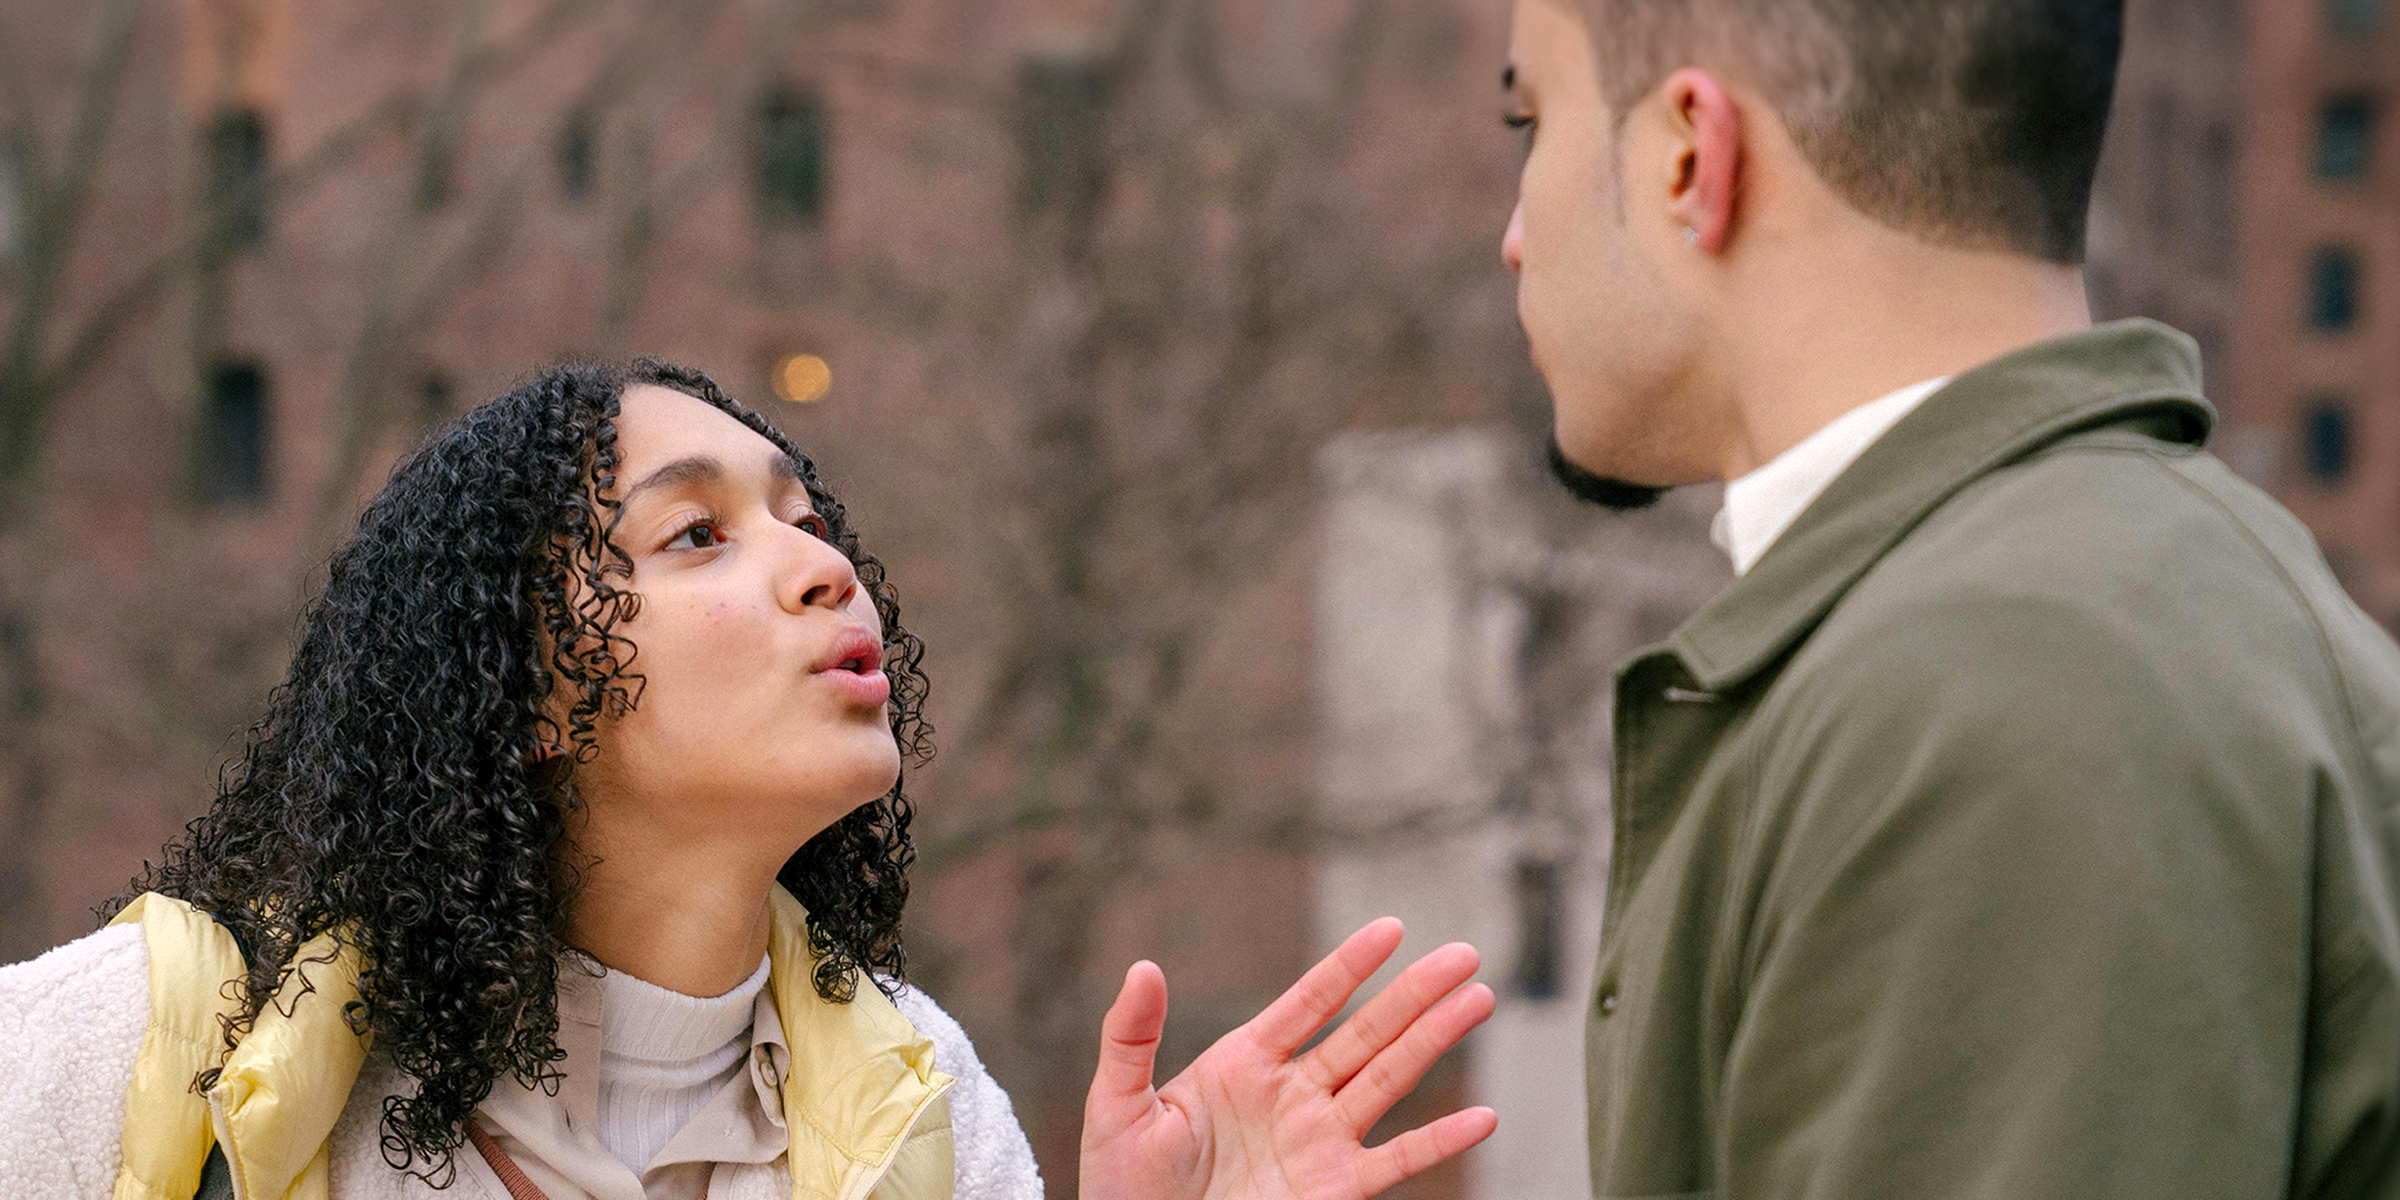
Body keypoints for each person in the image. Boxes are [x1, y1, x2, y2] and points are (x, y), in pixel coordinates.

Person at [0, 361, 1498, 1200]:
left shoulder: (930, 1115)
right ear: (518, 690)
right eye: (697, 536)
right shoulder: (149, 1050)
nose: (824, 565)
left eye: (808, 514)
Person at [1499, 0, 2400, 1197]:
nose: (1514, 234)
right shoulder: (2076, 618)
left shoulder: (2009, 689)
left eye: (1533, 121)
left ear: (1688, 158)